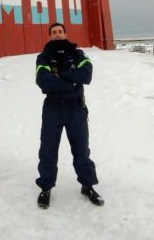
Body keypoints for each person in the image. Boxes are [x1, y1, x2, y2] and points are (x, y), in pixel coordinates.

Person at [35, 23, 103, 209]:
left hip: (76, 108)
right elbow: (43, 81)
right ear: (49, 36)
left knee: (81, 149)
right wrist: (71, 83)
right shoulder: (43, 57)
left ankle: (87, 185)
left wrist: (60, 76)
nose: (57, 34)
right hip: (53, 109)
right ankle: (46, 187)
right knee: (48, 149)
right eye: (53, 32)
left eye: (60, 32)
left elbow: (86, 75)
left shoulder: (78, 54)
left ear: (65, 33)